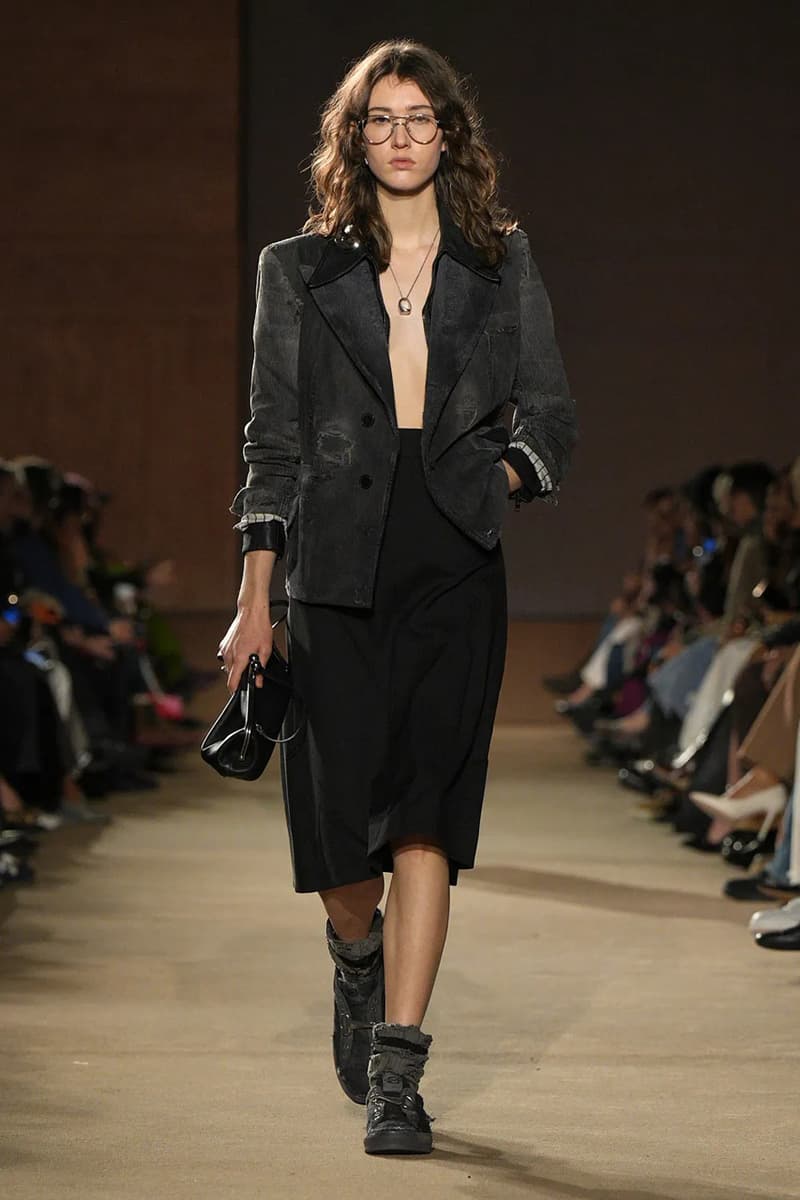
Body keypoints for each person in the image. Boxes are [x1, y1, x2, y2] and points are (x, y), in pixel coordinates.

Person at [218, 39, 576, 1156]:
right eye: (382, 119)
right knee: (340, 845)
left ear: (448, 134)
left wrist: (493, 483)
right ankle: (354, 951)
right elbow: (270, 443)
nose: (403, 137)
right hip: (331, 569)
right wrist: (254, 599)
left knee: (427, 815)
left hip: (455, 563)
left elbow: (550, 417)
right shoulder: (297, 269)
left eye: (421, 118)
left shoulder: (499, 260)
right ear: (355, 136)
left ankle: (398, 1073)